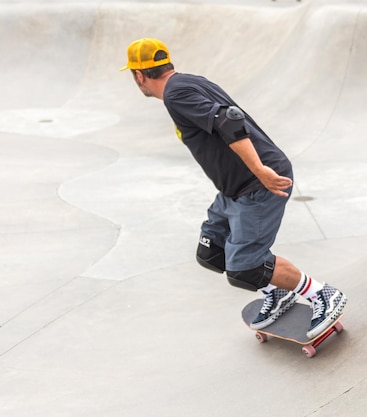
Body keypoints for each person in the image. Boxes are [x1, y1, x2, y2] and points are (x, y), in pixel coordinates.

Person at [121, 38, 347, 338]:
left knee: (246, 268)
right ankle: (278, 292)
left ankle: (322, 294)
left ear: (139, 75)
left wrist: (260, 171)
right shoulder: (188, 83)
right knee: (212, 252)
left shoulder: (176, 95)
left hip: (257, 184)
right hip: (233, 191)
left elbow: (229, 121)